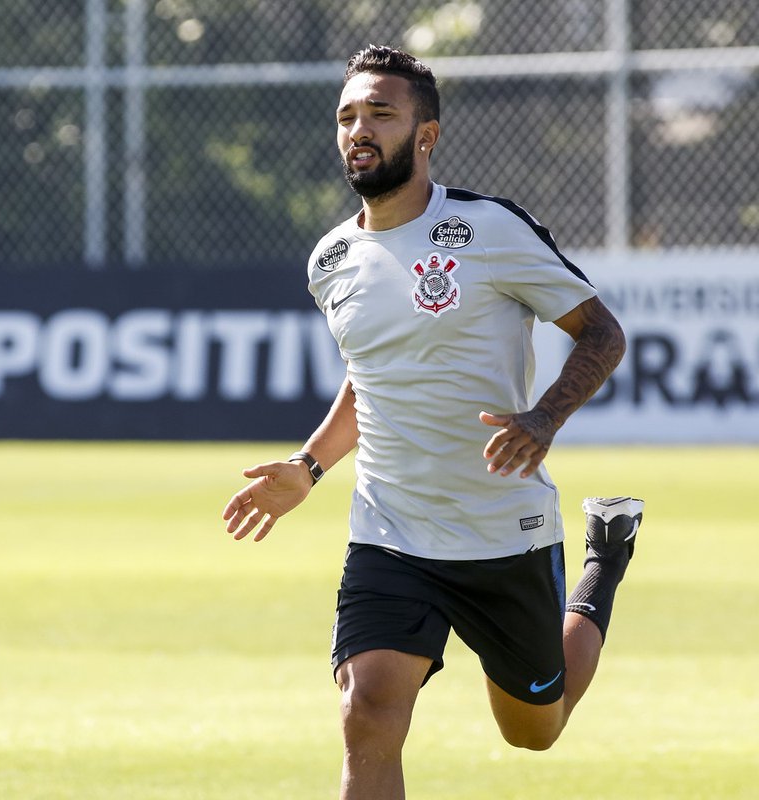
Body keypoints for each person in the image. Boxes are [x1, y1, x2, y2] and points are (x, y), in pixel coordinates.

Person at [220, 45, 645, 799]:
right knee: (368, 710)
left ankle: (604, 562)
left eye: (381, 113)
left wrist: (544, 417)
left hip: (499, 530)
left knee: (533, 730)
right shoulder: (330, 260)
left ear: (426, 135)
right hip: (391, 533)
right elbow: (370, 379)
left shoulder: (489, 229)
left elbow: (602, 333)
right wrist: (311, 466)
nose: (360, 128)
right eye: (348, 115)